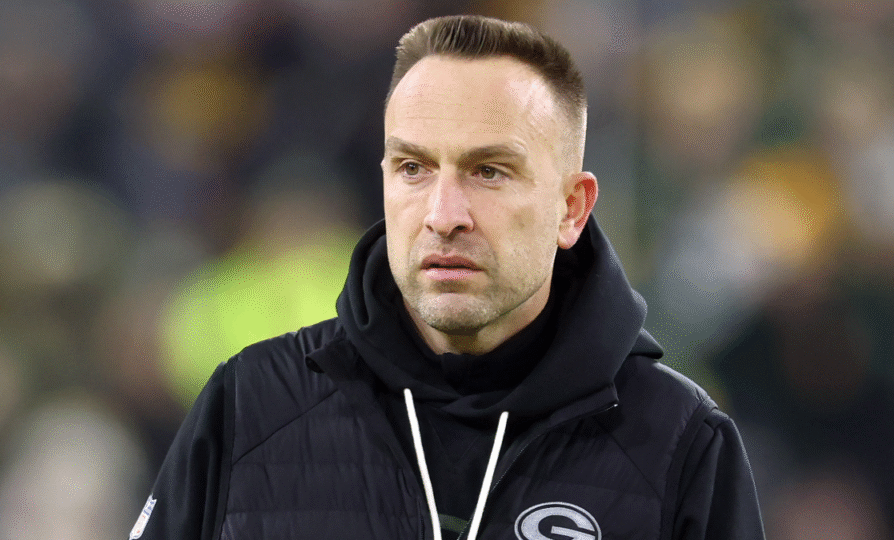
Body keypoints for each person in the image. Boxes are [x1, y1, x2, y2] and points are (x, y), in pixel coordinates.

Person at [128, 14, 765, 540]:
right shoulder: (248, 406)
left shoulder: (682, 441)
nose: (444, 215)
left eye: (490, 171)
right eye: (413, 167)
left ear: (571, 208)